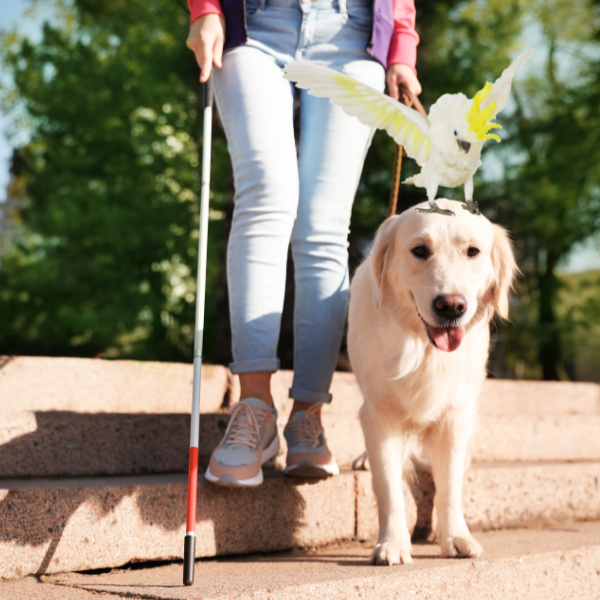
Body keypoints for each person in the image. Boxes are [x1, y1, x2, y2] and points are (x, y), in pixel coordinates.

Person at [186, 0, 421, 487]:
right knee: (265, 197)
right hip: (254, 25)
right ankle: (254, 409)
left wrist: (402, 45)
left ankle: (307, 415)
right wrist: (205, 7)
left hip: (351, 36)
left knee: (324, 226)